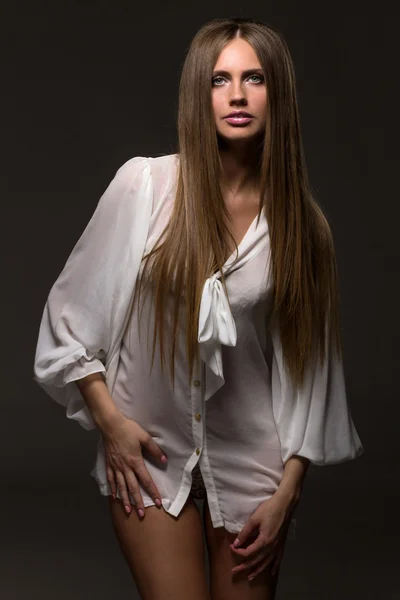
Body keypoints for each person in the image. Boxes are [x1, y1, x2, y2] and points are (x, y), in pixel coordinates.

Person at [33, 16, 364, 600]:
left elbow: (310, 374)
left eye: (254, 78)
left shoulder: (303, 229)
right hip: (150, 457)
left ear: (276, 92)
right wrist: (111, 425)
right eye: (220, 79)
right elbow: (71, 321)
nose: (237, 95)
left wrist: (288, 493)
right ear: (199, 92)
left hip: (256, 469)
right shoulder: (146, 187)